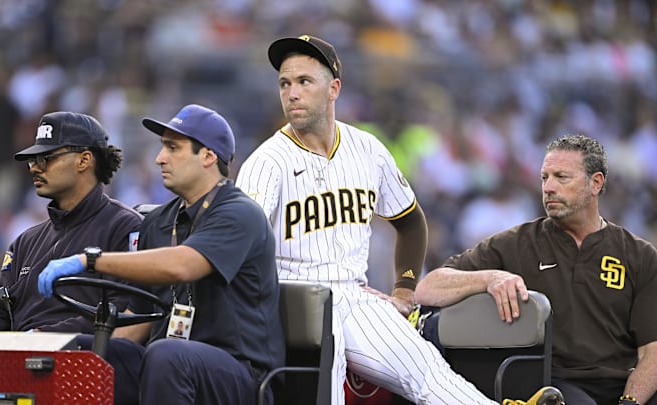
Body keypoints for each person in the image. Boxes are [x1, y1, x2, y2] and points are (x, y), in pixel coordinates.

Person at [235, 34, 563, 405]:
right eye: (285, 83)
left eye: (304, 81)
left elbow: (410, 221)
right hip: (292, 294)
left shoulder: (367, 149)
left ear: (334, 89)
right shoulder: (267, 162)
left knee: (427, 371)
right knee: (326, 373)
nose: (292, 93)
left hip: (353, 295)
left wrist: (405, 290)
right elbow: (244, 250)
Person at [36, 104, 285, 405]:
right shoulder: (157, 221)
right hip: (169, 364)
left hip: (241, 375)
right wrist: (94, 360)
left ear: (207, 156)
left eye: (172, 148)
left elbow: (182, 266)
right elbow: (140, 316)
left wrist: (88, 260)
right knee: (74, 352)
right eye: (161, 148)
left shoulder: (239, 214)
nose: (159, 158)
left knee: (167, 354)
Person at [414, 134, 657, 405]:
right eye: (544, 178)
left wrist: (630, 402)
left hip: (624, 387)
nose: (549, 187)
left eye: (561, 177)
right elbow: (427, 287)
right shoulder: (517, 243)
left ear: (595, 183)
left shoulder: (640, 255)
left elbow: (652, 351)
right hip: (554, 386)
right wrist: (490, 278)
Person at [0, 111, 142, 348]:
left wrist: (42, 336)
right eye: (33, 160)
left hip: (80, 368)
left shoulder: (125, 227)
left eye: (46, 158)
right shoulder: (25, 241)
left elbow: (122, 313)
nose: (34, 168)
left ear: (84, 160)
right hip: (16, 365)